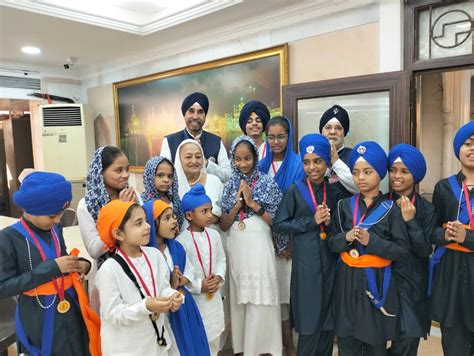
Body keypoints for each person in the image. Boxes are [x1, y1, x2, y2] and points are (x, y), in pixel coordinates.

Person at [0, 171, 100, 355]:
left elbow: (61, 256)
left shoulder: (54, 228)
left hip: (70, 310)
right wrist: (52, 268)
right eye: (52, 215)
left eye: (61, 213)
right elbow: (3, 287)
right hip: (37, 318)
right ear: (30, 210)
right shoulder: (8, 238)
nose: (57, 220)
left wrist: (81, 265)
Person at [328, 141, 409, 355]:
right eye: (355, 172)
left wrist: (370, 241)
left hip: (378, 282)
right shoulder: (343, 206)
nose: (360, 177)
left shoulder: (392, 208)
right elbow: (331, 243)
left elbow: (402, 251)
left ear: (380, 173)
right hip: (346, 282)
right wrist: (345, 237)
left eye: (367, 172)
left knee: (376, 345)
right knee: (347, 343)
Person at [273, 134, 347, 356]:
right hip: (306, 266)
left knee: (327, 322)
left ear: (327, 162)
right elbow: (279, 224)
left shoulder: (334, 191)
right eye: (307, 162)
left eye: (318, 161)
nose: (312, 167)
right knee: (308, 323)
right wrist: (310, 222)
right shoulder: (294, 191)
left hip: (331, 263)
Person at [220, 135, 283, 356]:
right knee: (241, 295)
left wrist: (253, 204)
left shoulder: (267, 183)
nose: (243, 164)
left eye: (247, 158)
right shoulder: (229, 186)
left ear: (255, 158)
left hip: (260, 242)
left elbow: (276, 220)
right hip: (237, 244)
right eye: (238, 159)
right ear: (232, 159)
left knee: (262, 293)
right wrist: (238, 205)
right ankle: (244, 348)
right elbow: (224, 224)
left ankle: (265, 348)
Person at [96, 200, 184, 355]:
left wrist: (173, 296)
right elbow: (114, 315)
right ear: (118, 234)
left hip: (157, 341)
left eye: (146, 221)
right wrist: (146, 306)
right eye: (138, 223)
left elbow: (162, 287)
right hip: (128, 348)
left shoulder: (154, 255)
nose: (148, 226)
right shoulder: (109, 270)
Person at [259, 116, 304, 355]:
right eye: (272, 136)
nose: (276, 141)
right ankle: (275, 343)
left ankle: (290, 345)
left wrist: (291, 242)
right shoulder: (261, 165)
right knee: (271, 295)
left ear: (289, 136)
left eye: (281, 136)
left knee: (286, 296)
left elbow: (301, 206)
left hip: (290, 242)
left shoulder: (298, 165)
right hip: (264, 239)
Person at [385, 144, 436, 356]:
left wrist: (411, 221)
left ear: (415, 174)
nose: (396, 176)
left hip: (413, 284)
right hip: (383, 281)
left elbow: (425, 250)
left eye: (404, 172)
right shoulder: (381, 204)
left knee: (408, 339)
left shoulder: (427, 209)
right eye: (393, 170)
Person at [429, 121, 474, 356]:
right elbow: (431, 231)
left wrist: (468, 237)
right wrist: (444, 234)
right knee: (454, 343)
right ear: (458, 149)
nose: (472, 148)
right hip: (451, 276)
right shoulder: (444, 188)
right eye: (467, 143)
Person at [143, 198, 210, 356]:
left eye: (173, 216)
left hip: (185, 307)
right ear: (152, 224)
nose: (174, 221)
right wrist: (171, 287)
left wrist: (181, 280)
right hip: (165, 313)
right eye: (166, 218)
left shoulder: (176, 246)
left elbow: (190, 271)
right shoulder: (146, 254)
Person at [77, 146, 138, 312]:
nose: (125, 175)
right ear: (100, 173)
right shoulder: (87, 205)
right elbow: (95, 250)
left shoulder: (134, 195)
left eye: (127, 169)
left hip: (138, 268)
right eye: (118, 170)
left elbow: (142, 235)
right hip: (108, 274)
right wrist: (119, 211)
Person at [177, 184, 226, 355]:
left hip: (214, 301)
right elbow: (182, 274)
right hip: (196, 302)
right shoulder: (182, 241)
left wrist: (218, 277)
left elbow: (221, 259)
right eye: (204, 211)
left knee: (215, 342)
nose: (209, 215)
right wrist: (199, 285)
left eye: (211, 210)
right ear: (189, 215)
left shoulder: (214, 235)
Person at [160, 92, 231, 182]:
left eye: (200, 112)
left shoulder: (216, 141)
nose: (195, 116)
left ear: (205, 116)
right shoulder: (169, 141)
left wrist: (206, 163)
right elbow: (164, 177)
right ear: (184, 114)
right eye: (191, 111)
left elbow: (228, 176)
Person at [174, 139, 223, 231]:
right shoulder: (173, 185)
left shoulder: (214, 181)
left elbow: (224, 216)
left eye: (198, 156)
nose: (194, 161)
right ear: (179, 159)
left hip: (212, 239)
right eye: (188, 157)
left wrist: (214, 217)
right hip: (183, 241)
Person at [319, 105, 358, 195]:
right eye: (328, 127)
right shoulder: (313, 156)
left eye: (338, 128)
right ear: (321, 131)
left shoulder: (355, 156)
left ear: (344, 132)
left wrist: (336, 162)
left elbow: (361, 188)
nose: (332, 132)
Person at [141, 156, 184, 229]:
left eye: (170, 176)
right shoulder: (142, 201)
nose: (166, 180)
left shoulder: (174, 200)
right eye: (160, 175)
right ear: (150, 175)